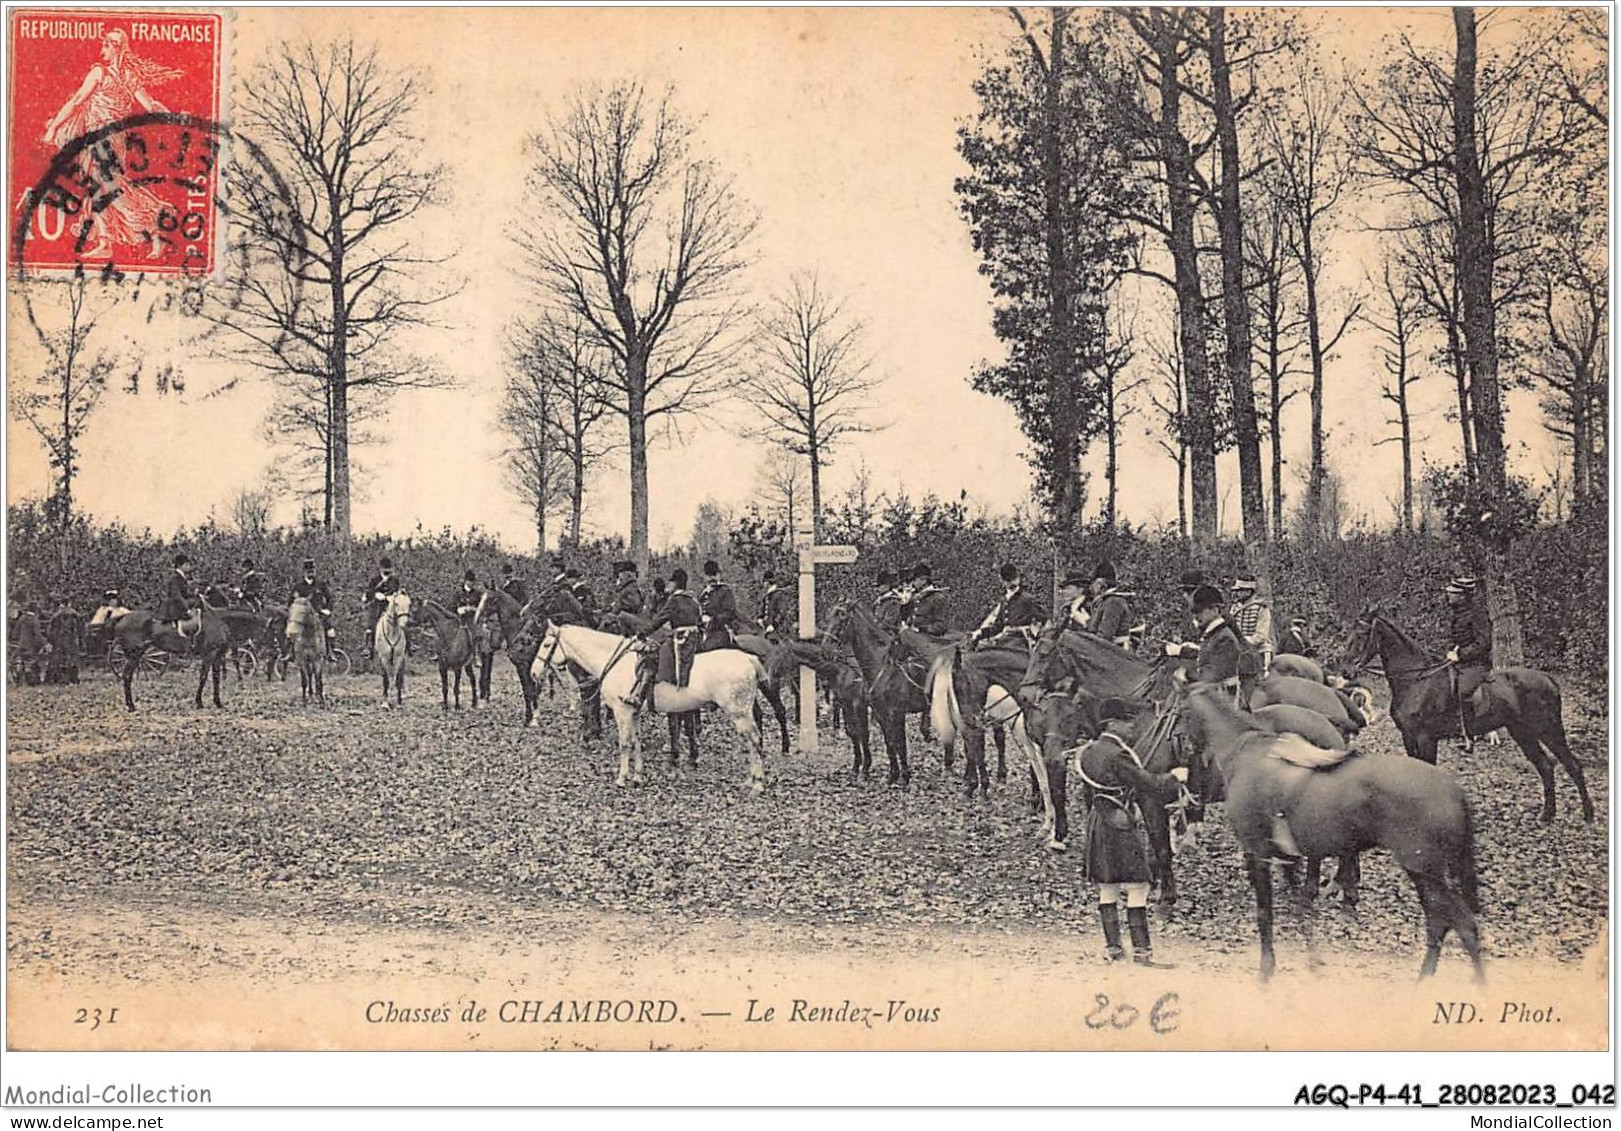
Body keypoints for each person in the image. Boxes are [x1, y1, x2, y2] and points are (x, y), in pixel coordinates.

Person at [1077, 705, 1190, 967]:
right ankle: (1142, 954)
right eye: (1127, 723)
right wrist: (1175, 777)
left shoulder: (1089, 751)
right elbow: (1150, 784)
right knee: (1139, 885)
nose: (1132, 728)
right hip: (1119, 821)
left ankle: (1115, 951)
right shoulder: (1119, 755)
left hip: (1098, 820)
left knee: (1108, 887)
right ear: (1112, 724)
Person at [631, 567, 704, 707]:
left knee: (652, 657)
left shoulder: (674, 600)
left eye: (670, 582)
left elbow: (659, 620)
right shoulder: (693, 600)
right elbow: (699, 621)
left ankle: (642, 696)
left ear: (675, 583)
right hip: (696, 639)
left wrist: (642, 633)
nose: (668, 585)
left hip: (681, 639)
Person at [1165, 585, 1245, 701]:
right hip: (1210, 692)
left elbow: (1214, 675)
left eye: (1199, 612)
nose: (1195, 617)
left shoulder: (1225, 638)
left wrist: (1186, 674)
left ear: (1215, 610)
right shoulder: (1212, 635)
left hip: (1224, 699)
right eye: (1194, 612)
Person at [1446, 576, 1493, 752]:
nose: (1449, 595)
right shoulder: (1458, 614)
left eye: (1454, 593)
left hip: (1476, 664)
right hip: (1460, 663)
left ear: (1464, 596)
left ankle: (1470, 734)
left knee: (1463, 690)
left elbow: (1484, 643)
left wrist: (1461, 655)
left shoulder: (1477, 614)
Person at [970, 563, 1044, 647]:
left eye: (1014, 579)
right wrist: (980, 633)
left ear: (1018, 578)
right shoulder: (1004, 600)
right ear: (1003, 582)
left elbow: (1045, 620)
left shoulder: (1028, 599)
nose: (1012, 582)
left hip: (1021, 643)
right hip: (1004, 641)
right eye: (1008, 580)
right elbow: (998, 627)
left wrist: (1033, 633)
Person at [290, 559, 336, 661]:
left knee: (331, 630)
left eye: (312, 570)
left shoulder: (321, 584)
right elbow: (291, 602)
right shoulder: (298, 587)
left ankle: (330, 652)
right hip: (302, 616)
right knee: (291, 630)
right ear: (304, 572)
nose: (311, 572)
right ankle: (291, 653)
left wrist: (328, 609)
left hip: (319, 614)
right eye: (308, 571)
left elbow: (330, 598)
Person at [1229, 576, 1275, 675]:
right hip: (1240, 651)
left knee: (1263, 679)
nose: (1237, 593)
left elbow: (1261, 636)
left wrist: (1242, 642)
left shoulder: (1261, 609)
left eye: (1240, 591)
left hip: (1259, 651)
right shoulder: (1234, 608)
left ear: (1249, 592)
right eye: (1237, 591)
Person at [1086, 562, 1133, 647]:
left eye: (1093, 583)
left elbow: (1105, 635)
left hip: (1114, 653)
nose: (1092, 587)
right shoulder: (1106, 601)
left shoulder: (1113, 602)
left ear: (1101, 583)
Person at [364, 557, 403, 660]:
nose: (387, 570)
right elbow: (368, 593)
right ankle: (368, 648)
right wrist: (376, 595)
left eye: (389, 568)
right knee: (371, 626)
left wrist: (394, 596)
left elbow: (398, 591)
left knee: (404, 622)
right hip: (377, 607)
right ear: (380, 569)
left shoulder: (395, 580)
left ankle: (410, 646)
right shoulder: (375, 580)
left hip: (392, 607)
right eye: (385, 568)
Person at [698, 559, 740, 650]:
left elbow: (729, 613)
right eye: (709, 575)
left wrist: (712, 620)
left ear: (719, 575)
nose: (712, 578)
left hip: (720, 631)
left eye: (714, 575)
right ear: (705, 577)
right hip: (703, 633)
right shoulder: (703, 595)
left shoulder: (725, 591)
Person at [904, 562, 951, 639]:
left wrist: (922, 629)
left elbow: (941, 625)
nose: (912, 584)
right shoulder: (916, 596)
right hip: (914, 638)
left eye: (914, 580)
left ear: (924, 580)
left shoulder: (937, 598)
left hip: (930, 640)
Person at [47, 594, 84, 684]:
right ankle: (74, 678)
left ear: (62, 604)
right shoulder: (75, 614)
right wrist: (80, 637)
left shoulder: (57, 615)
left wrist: (51, 639)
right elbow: (81, 627)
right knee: (73, 658)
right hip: (72, 638)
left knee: (61, 658)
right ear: (69, 603)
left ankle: (62, 679)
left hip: (60, 638)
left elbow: (50, 628)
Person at [605, 560, 647, 634]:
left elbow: (631, 608)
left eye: (620, 574)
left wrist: (614, 614)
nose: (618, 578)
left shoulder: (631, 589)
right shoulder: (628, 588)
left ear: (628, 575)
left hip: (625, 629)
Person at [157, 553, 195, 632]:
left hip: (179, 604)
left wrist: (195, 594)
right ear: (180, 565)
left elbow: (184, 594)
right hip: (173, 608)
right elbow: (177, 596)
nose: (189, 567)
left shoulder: (181, 577)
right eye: (187, 564)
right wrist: (188, 610)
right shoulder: (175, 578)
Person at [757, 569, 795, 637]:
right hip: (766, 626)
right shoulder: (767, 595)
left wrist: (774, 625)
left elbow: (782, 611)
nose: (763, 584)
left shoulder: (779, 594)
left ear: (768, 582)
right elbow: (763, 609)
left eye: (764, 581)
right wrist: (760, 618)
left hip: (778, 629)